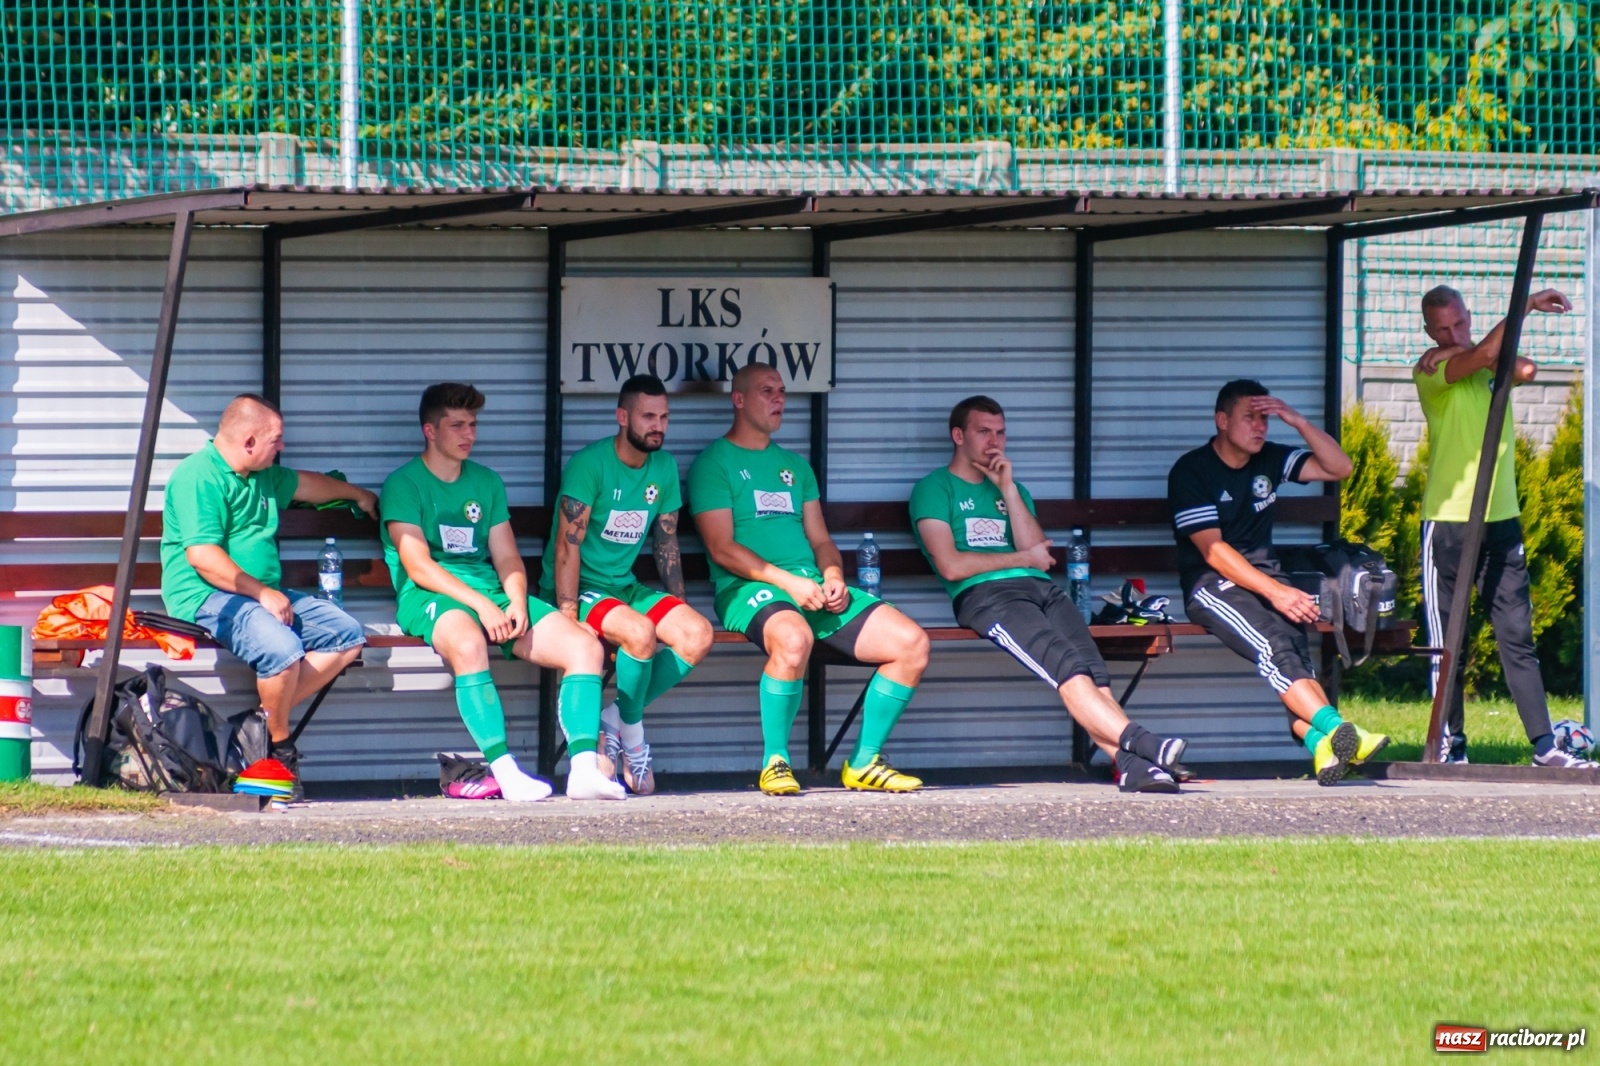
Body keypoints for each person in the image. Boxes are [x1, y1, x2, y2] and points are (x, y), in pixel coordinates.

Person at [910, 396, 1188, 793]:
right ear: (958, 435)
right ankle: (1145, 744)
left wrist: (1006, 489)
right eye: (983, 431)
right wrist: (1021, 557)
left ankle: (1131, 766)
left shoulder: (1012, 488)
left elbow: (1041, 556)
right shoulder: (934, 489)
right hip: (987, 597)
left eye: (1001, 432)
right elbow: (952, 566)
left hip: (1042, 591)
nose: (995, 441)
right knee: (1065, 668)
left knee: (1093, 671)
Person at [687, 364, 930, 795]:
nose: (779, 400)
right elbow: (721, 547)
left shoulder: (794, 467)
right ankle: (776, 761)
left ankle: (864, 762)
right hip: (748, 589)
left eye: (782, 391)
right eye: (767, 391)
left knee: (911, 643)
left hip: (812, 589)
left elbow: (821, 541)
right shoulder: (714, 462)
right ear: (739, 400)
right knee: (794, 639)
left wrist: (833, 573)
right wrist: (789, 583)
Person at [380, 383, 616, 802]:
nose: (468, 433)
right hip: (429, 595)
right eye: (456, 425)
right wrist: (482, 605)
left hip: (491, 594)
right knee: (469, 642)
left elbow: (507, 558)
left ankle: (583, 770)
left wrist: (518, 600)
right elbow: (418, 566)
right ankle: (506, 772)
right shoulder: (403, 483)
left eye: (472, 424)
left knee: (584, 647)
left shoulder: (487, 482)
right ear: (429, 431)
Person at [1167, 380, 1388, 785]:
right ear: (1221, 421)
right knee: (1273, 645)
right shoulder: (1191, 471)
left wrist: (1298, 421)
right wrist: (1278, 592)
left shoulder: (1269, 459)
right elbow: (1213, 552)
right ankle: (1343, 731)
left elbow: (1340, 468)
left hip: (1269, 582)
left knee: (1293, 660)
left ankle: (1323, 746)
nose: (1260, 427)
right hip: (1213, 586)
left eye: (1265, 419)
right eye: (1249, 418)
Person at [1414, 285, 1596, 768]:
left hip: (1500, 520)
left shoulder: (1480, 364)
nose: (1453, 334)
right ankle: (1449, 747)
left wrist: (1476, 351)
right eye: (1443, 330)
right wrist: (1525, 307)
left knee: (1517, 635)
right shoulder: (1432, 372)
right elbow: (1485, 355)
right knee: (1448, 642)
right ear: (1428, 333)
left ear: (1469, 318)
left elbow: (1525, 369)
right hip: (1449, 523)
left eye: (1460, 324)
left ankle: (1545, 747)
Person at [160, 393, 372, 800]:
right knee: (282, 648)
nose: (283, 447)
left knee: (347, 634)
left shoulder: (264, 476)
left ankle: (256, 728)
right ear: (249, 442)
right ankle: (277, 747)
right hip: (205, 595)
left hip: (261, 595)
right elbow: (203, 558)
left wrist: (357, 494)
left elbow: (310, 484)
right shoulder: (197, 477)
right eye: (276, 439)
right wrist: (262, 594)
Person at [538, 374, 714, 794]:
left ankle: (614, 720)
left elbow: (666, 542)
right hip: (581, 587)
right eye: (648, 416)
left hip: (625, 586)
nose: (658, 425)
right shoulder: (590, 465)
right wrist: (567, 617)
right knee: (640, 634)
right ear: (622, 417)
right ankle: (632, 736)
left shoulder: (664, 466)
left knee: (697, 633)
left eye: (665, 417)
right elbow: (567, 546)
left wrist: (678, 606)